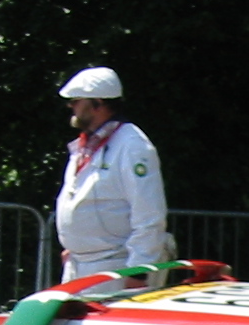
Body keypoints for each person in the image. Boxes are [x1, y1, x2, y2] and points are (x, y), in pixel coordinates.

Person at [55, 66, 171, 283]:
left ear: (98, 104)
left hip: (118, 267)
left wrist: (139, 271)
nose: (71, 106)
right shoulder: (86, 144)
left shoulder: (132, 145)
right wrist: (75, 246)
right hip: (82, 267)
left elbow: (149, 215)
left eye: (76, 100)